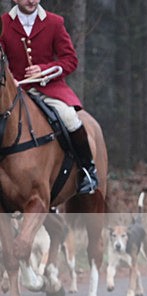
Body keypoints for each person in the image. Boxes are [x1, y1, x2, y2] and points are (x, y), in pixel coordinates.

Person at [0, 0, 97, 195]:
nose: (32, 0)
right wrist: (10, 80)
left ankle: (87, 171)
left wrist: (44, 70)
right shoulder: (3, 24)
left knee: (70, 118)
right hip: (16, 91)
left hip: (49, 89)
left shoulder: (55, 22)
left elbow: (70, 60)